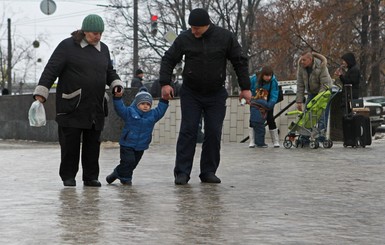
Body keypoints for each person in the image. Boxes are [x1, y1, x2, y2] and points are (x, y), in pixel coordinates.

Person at [159, 8, 251, 185]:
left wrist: (245, 87)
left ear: (207, 25)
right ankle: (182, 172)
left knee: (213, 132)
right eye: (191, 27)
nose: (193, 31)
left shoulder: (225, 37)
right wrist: (165, 83)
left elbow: (240, 61)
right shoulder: (185, 38)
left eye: (197, 28)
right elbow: (169, 58)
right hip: (191, 93)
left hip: (216, 94)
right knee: (188, 130)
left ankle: (208, 171)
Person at [33, 14, 124, 187]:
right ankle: (68, 177)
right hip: (72, 104)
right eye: (94, 33)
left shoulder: (103, 49)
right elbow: (51, 69)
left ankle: (90, 177)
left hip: (95, 105)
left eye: (100, 33)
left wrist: (116, 84)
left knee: (92, 145)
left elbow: (109, 71)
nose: (97, 37)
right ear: (84, 31)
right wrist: (41, 92)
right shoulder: (67, 46)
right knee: (70, 145)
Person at [106, 87, 169, 185]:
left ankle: (117, 173)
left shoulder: (152, 115)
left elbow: (161, 110)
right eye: (143, 104)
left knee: (133, 164)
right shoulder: (130, 112)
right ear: (137, 103)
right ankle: (126, 179)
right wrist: (117, 98)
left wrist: (164, 99)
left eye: (148, 104)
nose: (145, 106)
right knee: (129, 161)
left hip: (141, 146)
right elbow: (120, 108)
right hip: (127, 144)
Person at [296, 50, 332, 134]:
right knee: (307, 114)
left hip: (324, 91)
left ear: (310, 59)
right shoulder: (301, 67)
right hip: (312, 92)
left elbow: (325, 84)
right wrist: (299, 100)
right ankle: (305, 137)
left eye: (304, 60)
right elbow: (300, 84)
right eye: (301, 59)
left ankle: (321, 136)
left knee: (321, 114)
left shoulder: (321, 66)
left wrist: (318, 99)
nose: (302, 61)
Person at [249, 66, 280, 148]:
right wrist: (250, 100)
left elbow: (274, 93)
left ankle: (275, 141)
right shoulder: (253, 79)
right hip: (255, 103)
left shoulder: (273, 81)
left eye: (270, 75)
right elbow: (249, 89)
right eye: (266, 75)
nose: (268, 77)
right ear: (262, 75)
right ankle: (252, 141)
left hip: (268, 103)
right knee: (253, 120)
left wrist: (271, 103)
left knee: (270, 119)